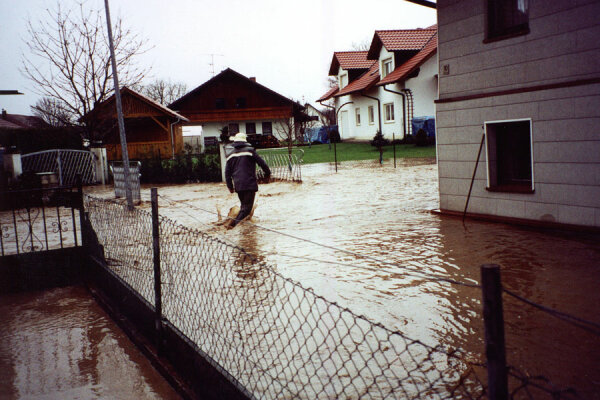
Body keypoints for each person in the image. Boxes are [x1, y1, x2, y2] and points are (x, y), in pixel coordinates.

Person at [224, 132, 271, 228]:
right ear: (245, 141)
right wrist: (267, 174)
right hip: (249, 184)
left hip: (238, 185)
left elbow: (227, 173)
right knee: (247, 209)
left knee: (243, 207)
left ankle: (243, 230)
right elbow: (262, 164)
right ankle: (232, 226)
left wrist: (230, 186)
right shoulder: (250, 151)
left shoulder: (230, 155)